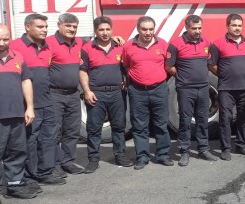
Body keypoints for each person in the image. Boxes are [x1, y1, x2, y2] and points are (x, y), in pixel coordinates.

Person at [10, 14, 64, 185]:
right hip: (27, 104)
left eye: (46, 27)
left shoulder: (48, 47)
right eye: (40, 27)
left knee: (48, 138)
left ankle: (45, 172)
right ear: (28, 27)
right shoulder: (14, 46)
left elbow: (75, 44)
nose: (45, 30)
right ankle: (29, 174)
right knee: (30, 140)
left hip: (47, 100)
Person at [79, 16, 132, 173]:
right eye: (101, 29)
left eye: (108, 29)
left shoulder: (120, 47)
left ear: (112, 30)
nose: (105, 32)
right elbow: (82, 71)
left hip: (117, 93)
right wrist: (87, 91)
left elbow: (128, 66)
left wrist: (127, 80)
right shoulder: (87, 48)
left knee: (119, 126)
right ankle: (93, 159)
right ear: (95, 31)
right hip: (97, 94)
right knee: (94, 128)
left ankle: (120, 155)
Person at [166, 15, 218, 166]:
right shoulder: (175, 44)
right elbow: (169, 66)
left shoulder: (207, 42)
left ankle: (204, 149)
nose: (197, 31)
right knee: (185, 121)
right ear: (187, 28)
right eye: (194, 28)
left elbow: (211, 63)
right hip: (185, 89)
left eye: (199, 28)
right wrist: (182, 77)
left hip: (203, 88)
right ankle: (185, 151)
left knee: (202, 119)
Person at [122, 16, 173, 170]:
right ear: (138, 29)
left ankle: (163, 155)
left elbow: (168, 65)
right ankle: (142, 157)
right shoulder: (128, 46)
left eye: (151, 29)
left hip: (159, 89)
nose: (148, 32)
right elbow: (126, 65)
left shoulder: (162, 44)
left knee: (161, 124)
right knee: (139, 125)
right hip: (138, 91)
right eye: (144, 29)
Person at [0, 23, 38, 204]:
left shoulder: (18, 57)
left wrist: (29, 107)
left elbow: (26, 81)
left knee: (16, 151)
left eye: (5, 39)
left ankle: (14, 184)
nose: (1, 43)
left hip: (16, 114)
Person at [208, 14, 245, 160]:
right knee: (226, 118)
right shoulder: (217, 44)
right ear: (227, 26)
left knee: (244, 117)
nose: (237, 28)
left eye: (239, 25)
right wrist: (224, 74)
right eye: (234, 25)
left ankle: (241, 145)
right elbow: (211, 65)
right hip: (226, 88)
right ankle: (225, 148)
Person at [45, 13, 85, 176]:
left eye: (74, 26)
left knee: (72, 130)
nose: (71, 29)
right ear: (59, 25)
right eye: (68, 26)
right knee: (54, 131)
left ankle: (68, 162)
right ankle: (54, 165)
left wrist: (115, 38)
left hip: (73, 94)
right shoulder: (48, 43)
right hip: (55, 94)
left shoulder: (79, 42)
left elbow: (96, 42)